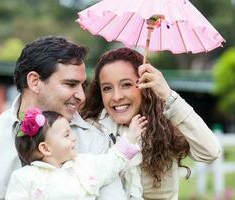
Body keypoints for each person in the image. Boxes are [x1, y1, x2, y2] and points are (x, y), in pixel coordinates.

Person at [0, 36, 125, 200]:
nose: (81, 96)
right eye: (71, 84)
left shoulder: (94, 142)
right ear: (34, 81)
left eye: (82, 85)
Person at [81, 47, 222, 200]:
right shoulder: (91, 129)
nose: (116, 96)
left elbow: (210, 152)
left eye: (126, 84)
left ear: (145, 85)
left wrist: (169, 96)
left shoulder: (164, 125)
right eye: (107, 88)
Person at [6, 107, 147, 199]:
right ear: (46, 149)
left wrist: (130, 136)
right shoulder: (25, 177)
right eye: (66, 135)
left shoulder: (86, 164)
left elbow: (112, 161)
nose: (74, 138)